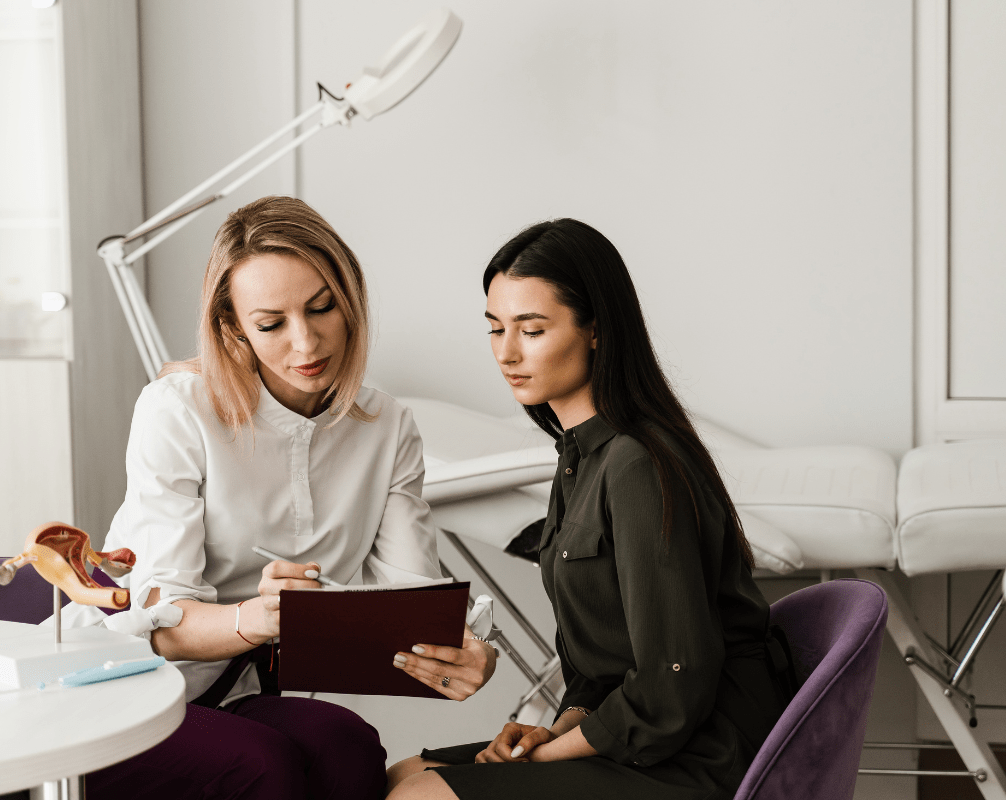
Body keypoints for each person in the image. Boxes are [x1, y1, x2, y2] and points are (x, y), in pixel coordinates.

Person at [83, 196, 497, 800]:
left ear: (350, 299)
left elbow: (406, 605)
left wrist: (464, 650)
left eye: (322, 307)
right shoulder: (177, 411)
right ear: (234, 329)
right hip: (129, 688)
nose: (306, 344)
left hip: (236, 695)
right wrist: (257, 618)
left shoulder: (387, 426)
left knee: (349, 749)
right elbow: (158, 624)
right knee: (265, 767)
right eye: (271, 324)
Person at [385, 219, 793, 800]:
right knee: (403, 773)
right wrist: (547, 733)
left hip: (698, 758)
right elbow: (605, 672)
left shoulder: (637, 465)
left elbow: (669, 688)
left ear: (596, 329)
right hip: (646, 740)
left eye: (532, 329)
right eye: (495, 328)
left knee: (417, 797)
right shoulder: (578, 457)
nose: (506, 352)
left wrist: (548, 753)